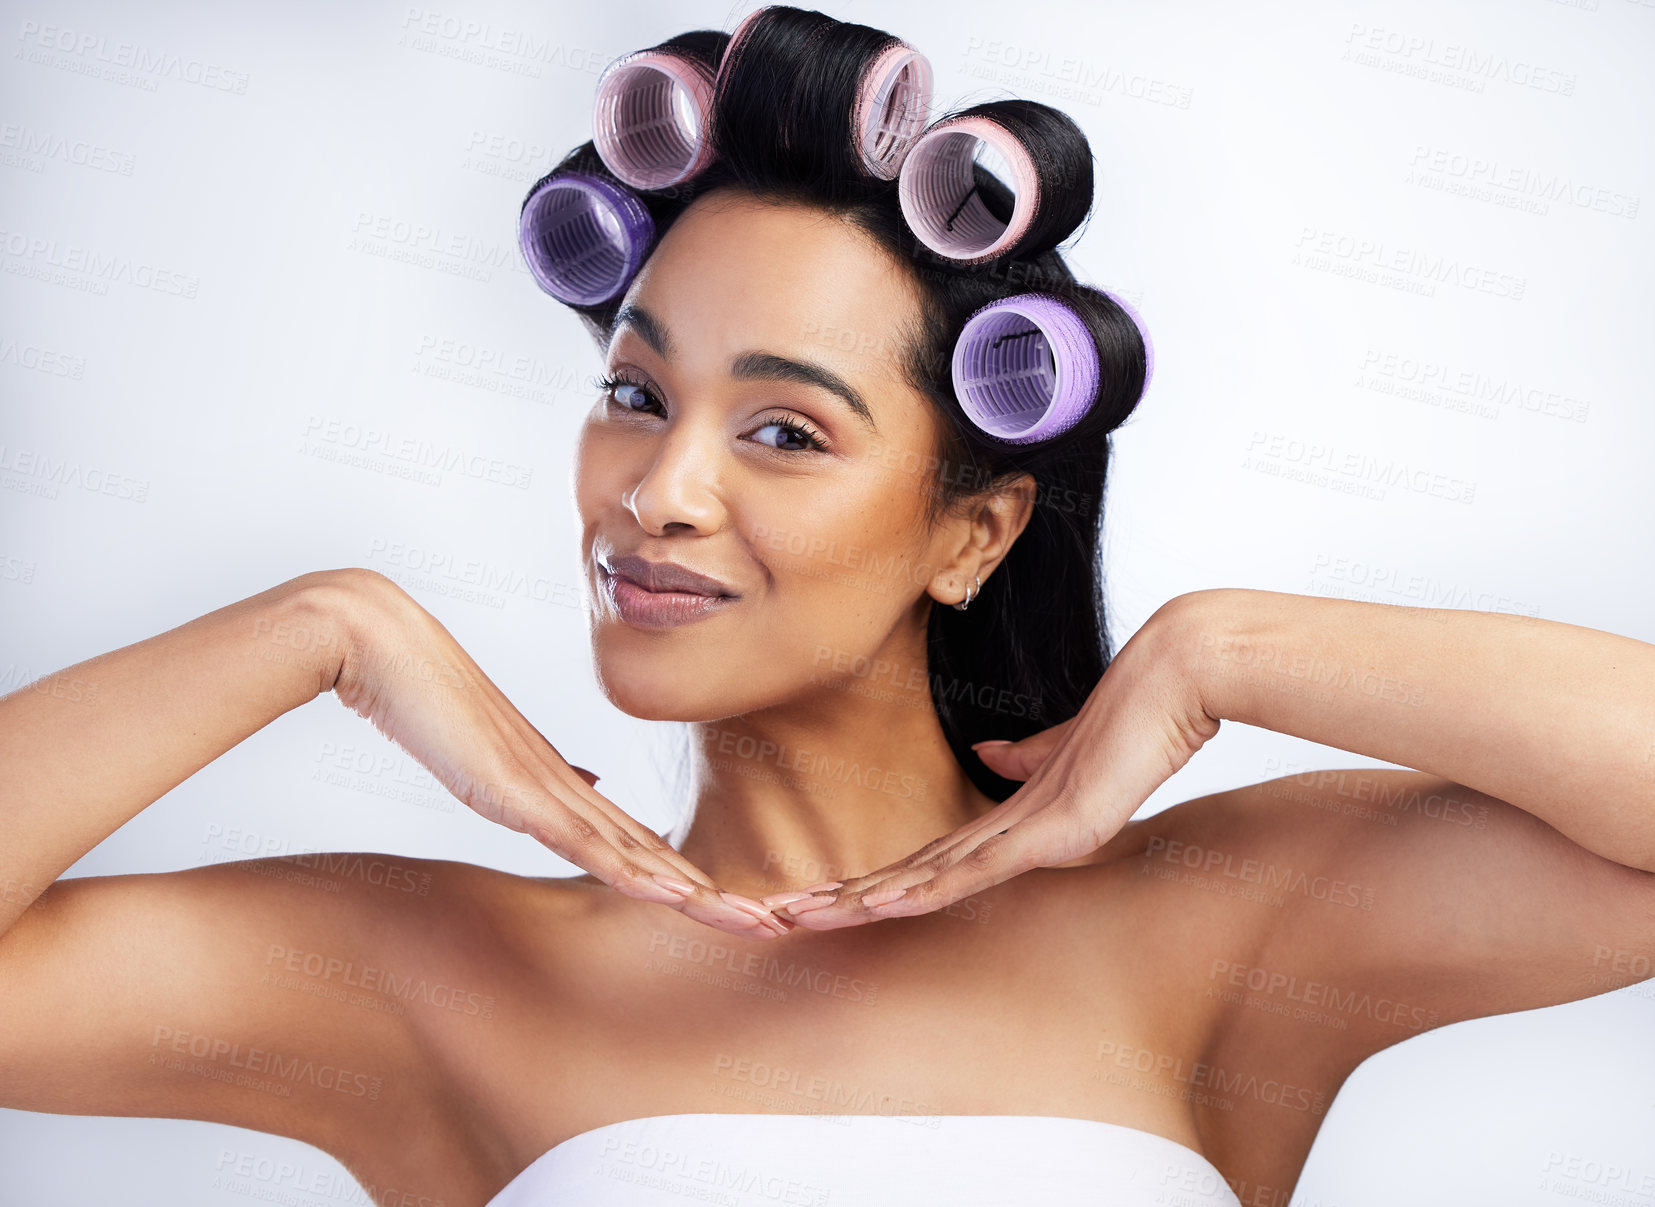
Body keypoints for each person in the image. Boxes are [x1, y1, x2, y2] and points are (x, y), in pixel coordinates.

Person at [3, 7, 1652, 1205]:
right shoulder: (430, 970)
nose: (658, 491)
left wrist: (1227, 649)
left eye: (784, 429)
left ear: (973, 530)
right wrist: (326, 629)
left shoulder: (1221, 924)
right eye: (638, 396)